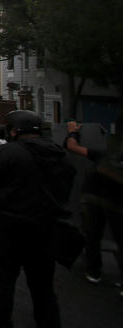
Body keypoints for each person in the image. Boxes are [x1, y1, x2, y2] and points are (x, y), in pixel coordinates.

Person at [0, 110, 75, 328]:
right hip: (46, 231)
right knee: (43, 288)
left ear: (14, 131)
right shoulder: (60, 154)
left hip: (10, 230)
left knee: (2, 283)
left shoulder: (11, 151)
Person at [63, 120, 123, 293]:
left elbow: (72, 146)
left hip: (92, 199)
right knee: (120, 239)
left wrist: (72, 131)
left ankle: (93, 271)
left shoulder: (104, 155)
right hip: (116, 204)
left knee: (92, 235)